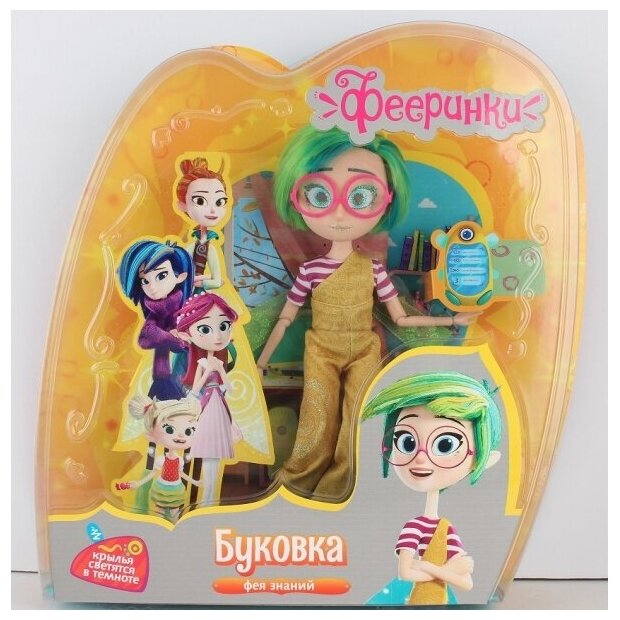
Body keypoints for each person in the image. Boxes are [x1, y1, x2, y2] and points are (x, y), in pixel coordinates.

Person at [256, 126, 480, 502]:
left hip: (364, 349)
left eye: (361, 196)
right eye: (319, 194)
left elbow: (401, 318)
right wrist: (262, 360)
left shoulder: (372, 268)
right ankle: (298, 482)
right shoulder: (311, 270)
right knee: (316, 415)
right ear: (296, 199)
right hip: (321, 349)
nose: (339, 212)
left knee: (359, 416)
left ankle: (345, 484)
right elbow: (285, 317)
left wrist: (450, 320)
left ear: (386, 200)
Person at [361, 371, 502, 605]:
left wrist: (424, 566)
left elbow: (467, 583)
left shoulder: (445, 528)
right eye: (407, 442)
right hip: (408, 598)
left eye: (445, 444)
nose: (420, 458)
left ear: (481, 457)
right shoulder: (414, 527)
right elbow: (405, 573)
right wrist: (445, 570)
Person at [173, 292, 242, 505]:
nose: (218, 337)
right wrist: (206, 372)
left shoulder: (220, 362)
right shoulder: (200, 364)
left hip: (218, 406)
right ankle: (190, 498)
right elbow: (195, 390)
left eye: (224, 326)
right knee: (198, 452)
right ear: (187, 334)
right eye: (205, 329)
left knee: (214, 454)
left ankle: (209, 500)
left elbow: (228, 389)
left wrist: (220, 370)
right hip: (204, 408)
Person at [116, 394, 202, 523]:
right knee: (159, 514)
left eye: (189, 431)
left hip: (176, 489)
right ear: (152, 433)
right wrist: (138, 483)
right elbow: (153, 473)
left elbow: (181, 473)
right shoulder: (161, 460)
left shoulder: (179, 460)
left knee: (174, 514)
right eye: (170, 429)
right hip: (161, 488)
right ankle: (159, 529)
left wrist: (195, 482)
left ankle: (174, 530)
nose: (180, 435)